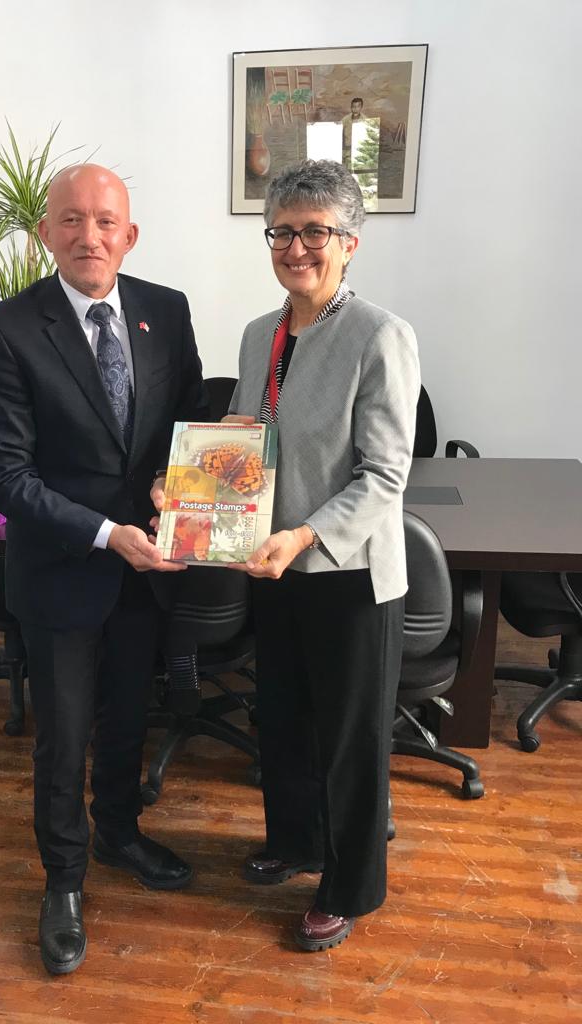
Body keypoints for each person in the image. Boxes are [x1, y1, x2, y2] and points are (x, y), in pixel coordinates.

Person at [0, 164, 209, 976]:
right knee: (63, 739)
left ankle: (120, 835)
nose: (89, 235)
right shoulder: (6, 330)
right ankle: (63, 881)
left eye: (105, 221)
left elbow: (188, 422)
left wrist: (176, 480)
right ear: (47, 232)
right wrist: (107, 533)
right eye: (70, 219)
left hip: (149, 567)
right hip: (64, 569)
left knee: (129, 716)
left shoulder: (165, 310)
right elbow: (5, 474)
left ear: (129, 235)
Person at [226, 159, 420, 951]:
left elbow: (385, 477)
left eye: (315, 231)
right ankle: (296, 841)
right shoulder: (258, 334)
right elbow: (242, 439)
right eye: (282, 231)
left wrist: (304, 535)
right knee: (283, 718)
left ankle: (348, 885)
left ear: (349, 243)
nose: (296, 247)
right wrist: (191, 489)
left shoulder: (379, 334)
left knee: (348, 739)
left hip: (348, 573)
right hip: (271, 567)